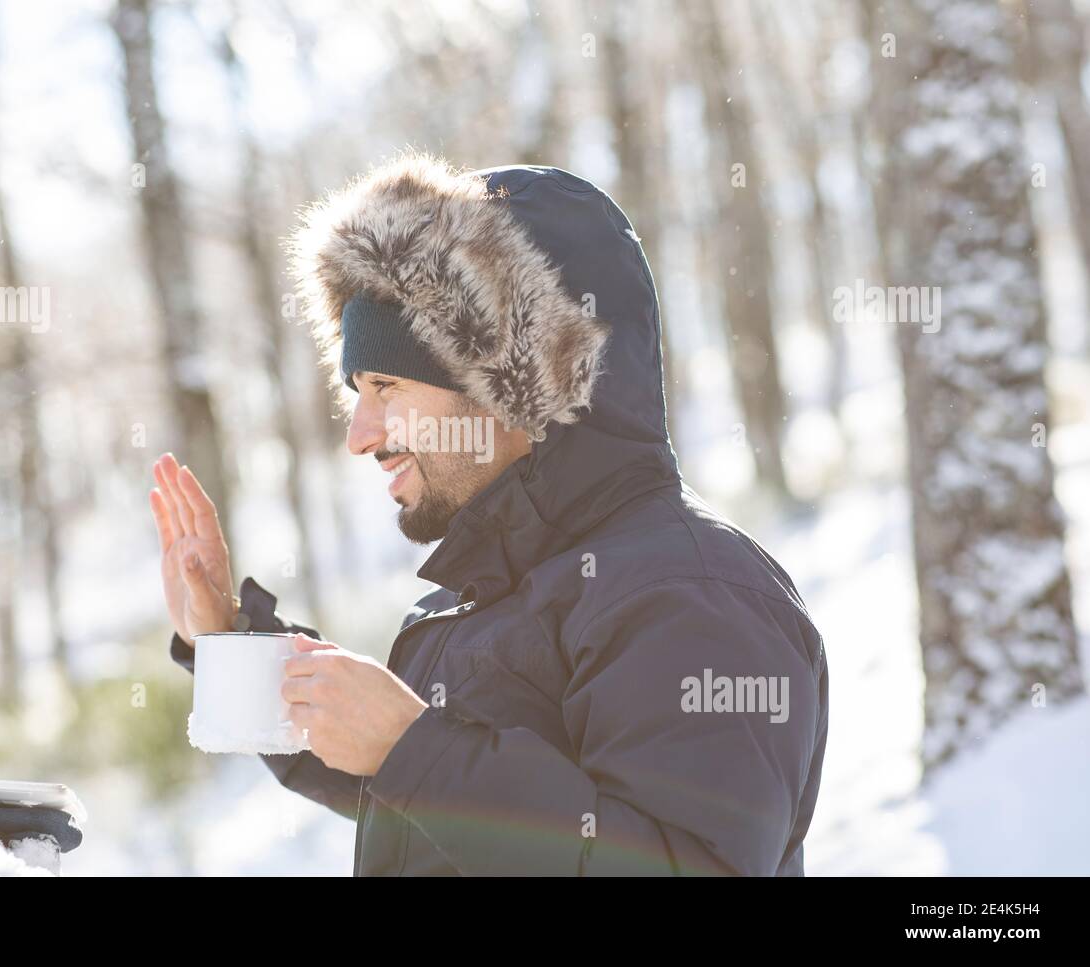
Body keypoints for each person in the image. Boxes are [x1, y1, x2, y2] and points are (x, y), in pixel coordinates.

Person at [150, 154, 828, 876]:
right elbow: (435, 810)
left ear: (515, 384)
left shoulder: (690, 591)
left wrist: (415, 751)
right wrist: (230, 639)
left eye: (387, 385)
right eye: (357, 391)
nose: (361, 434)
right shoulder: (484, 599)